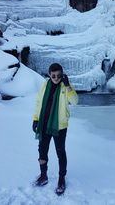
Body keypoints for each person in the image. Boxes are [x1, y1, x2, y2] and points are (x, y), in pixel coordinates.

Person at [32, 63, 78, 195]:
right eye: (53, 76)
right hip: (44, 124)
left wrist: (68, 85)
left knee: (60, 152)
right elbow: (38, 102)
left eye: (58, 76)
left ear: (62, 74)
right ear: (49, 75)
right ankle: (43, 175)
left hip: (60, 126)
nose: (56, 78)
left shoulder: (65, 86)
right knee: (42, 150)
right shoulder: (45, 85)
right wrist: (35, 119)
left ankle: (61, 179)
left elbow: (75, 101)